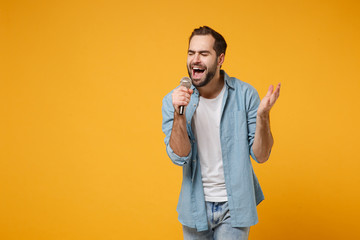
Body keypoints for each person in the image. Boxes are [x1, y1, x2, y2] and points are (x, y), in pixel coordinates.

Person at [161, 26, 280, 240]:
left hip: (234, 206)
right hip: (194, 205)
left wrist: (263, 116)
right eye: (191, 53)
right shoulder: (175, 100)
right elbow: (179, 156)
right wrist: (180, 113)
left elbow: (261, 156)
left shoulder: (245, 95)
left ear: (220, 59)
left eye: (204, 54)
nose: (195, 59)